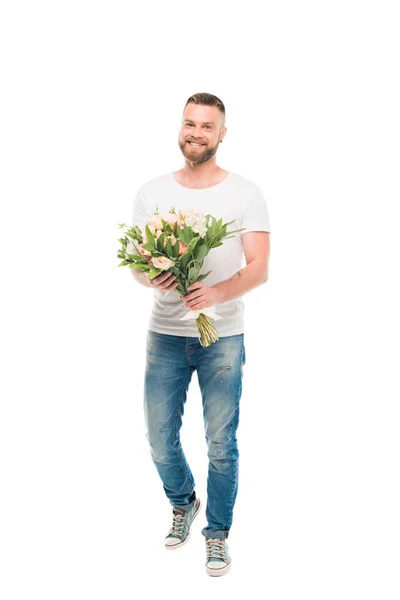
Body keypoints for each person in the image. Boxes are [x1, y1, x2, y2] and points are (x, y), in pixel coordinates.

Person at [131, 92, 271, 577]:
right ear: (181, 127)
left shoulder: (245, 192)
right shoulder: (151, 192)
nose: (196, 132)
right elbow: (138, 267)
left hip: (222, 337)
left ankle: (216, 534)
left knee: (220, 443)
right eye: (190, 123)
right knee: (158, 439)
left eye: (206, 126)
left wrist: (217, 293)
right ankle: (183, 500)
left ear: (222, 134)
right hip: (165, 333)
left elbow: (260, 268)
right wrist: (155, 277)